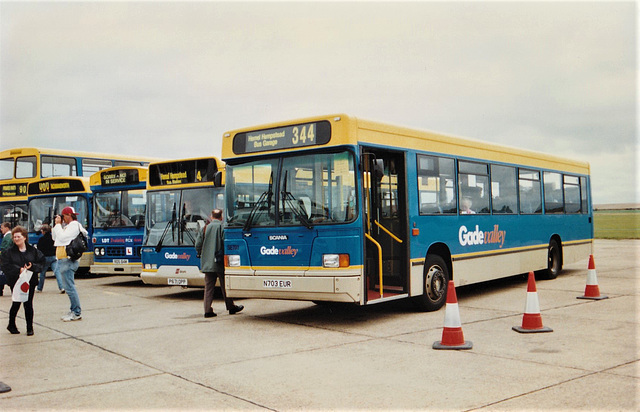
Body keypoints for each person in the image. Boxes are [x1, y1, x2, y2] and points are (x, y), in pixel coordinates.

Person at [195, 209, 243, 318]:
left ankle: (207, 311)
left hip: (207, 263)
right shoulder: (222, 227)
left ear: (211, 217)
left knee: (208, 288)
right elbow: (225, 243)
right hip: (220, 262)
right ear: (221, 217)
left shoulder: (205, 228)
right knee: (225, 285)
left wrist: (201, 254)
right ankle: (231, 307)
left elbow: (197, 245)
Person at [1, 226, 45, 335]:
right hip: (15, 281)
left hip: (30, 281)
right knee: (16, 303)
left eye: (18, 237)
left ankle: (29, 327)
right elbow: (5, 265)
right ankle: (11, 324)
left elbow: (41, 263)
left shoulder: (33, 251)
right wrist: (18, 269)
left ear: (24, 237)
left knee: (28, 303)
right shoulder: (9, 252)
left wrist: (33, 266)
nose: (16, 239)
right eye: (14, 237)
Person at [52, 206, 88, 322]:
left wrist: (58, 225)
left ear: (67, 215)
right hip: (63, 260)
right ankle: (73, 310)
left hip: (68, 260)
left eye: (63, 217)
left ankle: (76, 312)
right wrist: (57, 225)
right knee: (68, 287)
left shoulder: (73, 225)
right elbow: (55, 238)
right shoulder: (67, 227)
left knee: (70, 287)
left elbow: (62, 237)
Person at [36, 224, 64, 293]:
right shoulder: (53, 238)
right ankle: (61, 287)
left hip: (45, 258)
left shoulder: (41, 239)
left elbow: (39, 250)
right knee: (57, 272)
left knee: (42, 273)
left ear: (44, 231)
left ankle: (39, 288)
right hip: (53, 257)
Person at [0, 222, 14, 296]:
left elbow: (6, 248)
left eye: (2, 228)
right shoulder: (7, 236)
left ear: (7, 228)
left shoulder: (8, 237)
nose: (1, 229)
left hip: (6, 259)